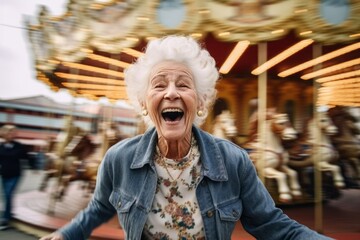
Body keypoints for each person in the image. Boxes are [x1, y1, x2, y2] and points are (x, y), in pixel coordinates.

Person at [40, 35, 333, 240]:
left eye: (183, 84)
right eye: (159, 85)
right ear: (144, 103)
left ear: (201, 101)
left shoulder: (233, 161)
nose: (171, 92)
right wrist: (68, 233)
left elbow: (272, 224)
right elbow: (99, 207)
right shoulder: (119, 159)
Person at [0, 125, 29, 230]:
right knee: (6, 195)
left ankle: (5, 219)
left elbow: (26, 156)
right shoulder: (1, 146)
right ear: (4, 134)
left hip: (15, 174)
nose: (12, 134)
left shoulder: (18, 146)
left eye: (13, 132)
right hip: (4, 174)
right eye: (9, 132)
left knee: (8, 194)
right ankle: (9, 213)